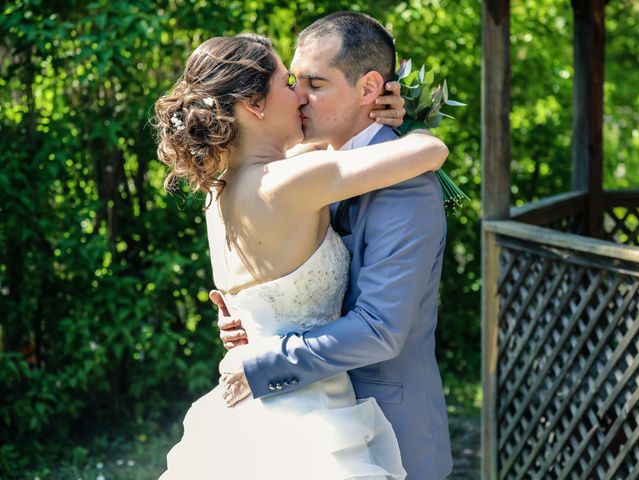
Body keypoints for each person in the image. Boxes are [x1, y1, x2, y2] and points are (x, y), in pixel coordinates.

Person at [154, 30, 448, 479]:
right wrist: (414, 131)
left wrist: (256, 332)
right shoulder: (300, 176)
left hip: (371, 422)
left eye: (313, 83)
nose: (301, 98)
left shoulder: (222, 187)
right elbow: (432, 150)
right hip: (319, 427)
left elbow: (380, 328)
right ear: (255, 105)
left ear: (368, 88)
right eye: (291, 84)